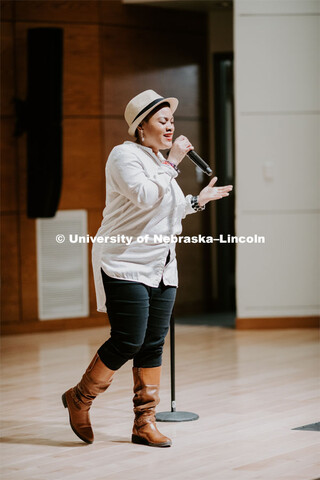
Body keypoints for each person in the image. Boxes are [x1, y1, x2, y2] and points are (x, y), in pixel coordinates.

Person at [62, 89, 233, 448]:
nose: (170, 126)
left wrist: (195, 202)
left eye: (172, 120)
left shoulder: (159, 161)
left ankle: (145, 422)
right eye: (162, 120)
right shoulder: (124, 156)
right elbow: (143, 196)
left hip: (160, 264)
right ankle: (80, 397)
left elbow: (162, 209)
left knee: (153, 343)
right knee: (128, 338)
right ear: (141, 126)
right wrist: (172, 163)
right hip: (123, 260)